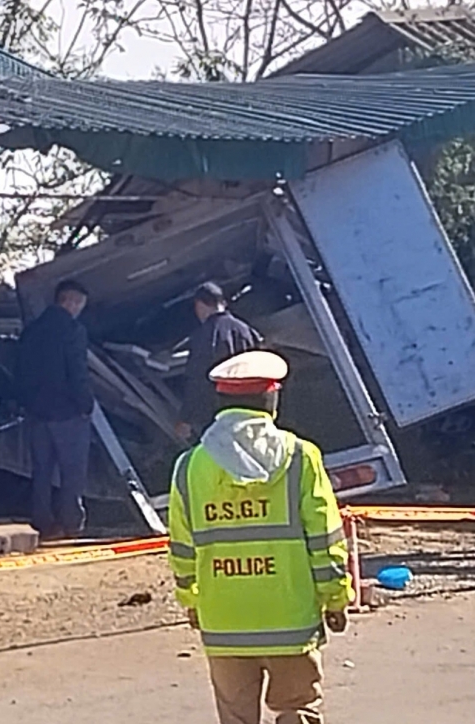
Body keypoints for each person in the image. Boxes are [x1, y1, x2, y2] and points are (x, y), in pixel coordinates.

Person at [167, 350, 352, 724]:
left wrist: (192, 601)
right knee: (297, 710)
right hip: (290, 620)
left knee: (235, 717)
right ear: (271, 399)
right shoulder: (301, 458)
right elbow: (325, 539)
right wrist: (336, 598)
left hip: (224, 623)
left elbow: (182, 549)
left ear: (220, 401)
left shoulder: (189, 466)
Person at [17, 279, 94, 540]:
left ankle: (42, 522)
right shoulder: (73, 330)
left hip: (37, 413)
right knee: (72, 472)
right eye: (79, 303)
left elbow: (20, 371)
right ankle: (71, 523)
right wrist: (86, 404)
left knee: (42, 471)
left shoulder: (32, 330)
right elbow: (77, 371)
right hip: (68, 412)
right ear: (69, 301)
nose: (79, 309)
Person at [176, 282, 262, 442]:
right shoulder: (246, 330)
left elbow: (198, 379)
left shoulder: (203, 336)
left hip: (220, 416)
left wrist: (187, 418)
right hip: (253, 410)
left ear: (200, 305)